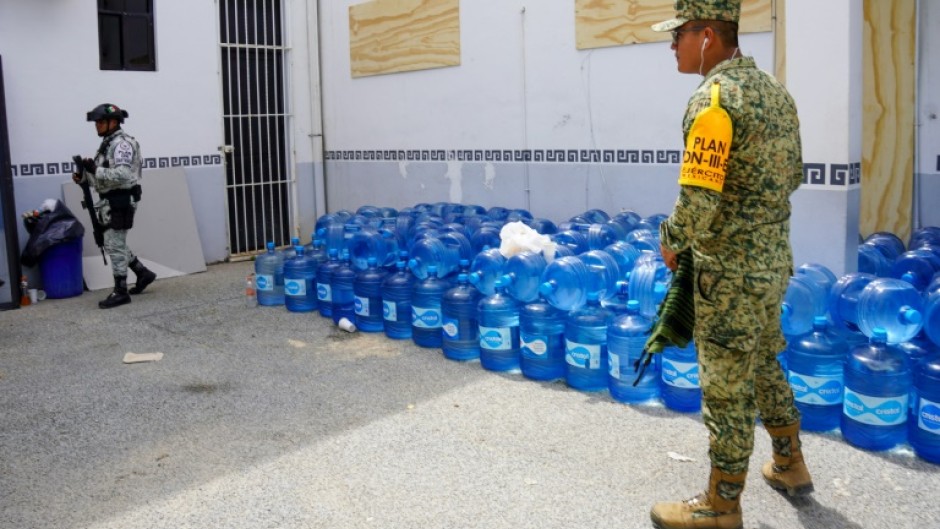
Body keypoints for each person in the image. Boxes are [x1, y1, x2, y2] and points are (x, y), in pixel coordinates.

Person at [648, 1, 812, 528]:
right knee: (763, 361)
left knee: (725, 386)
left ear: (708, 36)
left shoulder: (714, 101)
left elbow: (697, 202)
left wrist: (671, 241)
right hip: (772, 263)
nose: (672, 45)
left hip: (730, 275)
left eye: (678, 35)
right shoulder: (776, 94)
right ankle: (790, 463)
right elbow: (794, 176)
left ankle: (721, 505)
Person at [73, 103, 156, 309]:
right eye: (96, 122)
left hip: (120, 199)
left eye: (100, 121)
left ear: (114, 122)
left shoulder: (122, 144)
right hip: (109, 200)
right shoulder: (107, 144)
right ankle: (143, 273)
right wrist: (85, 176)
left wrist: (96, 170)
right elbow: (103, 178)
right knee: (113, 243)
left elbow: (123, 174)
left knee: (114, 244)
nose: (97, 126)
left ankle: (121, 291)